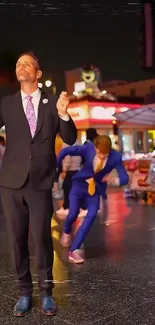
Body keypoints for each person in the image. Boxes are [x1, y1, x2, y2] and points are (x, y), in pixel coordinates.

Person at [0, 52, 77, 317]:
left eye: (27, 63)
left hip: (41, 182)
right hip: (11, 182)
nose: (21, 67)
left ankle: (46, 294)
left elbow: (69, 138)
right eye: (18, 64)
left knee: (41, 239)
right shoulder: (6, 104)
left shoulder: (53, 103)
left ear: (38, 72)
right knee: (17, 239)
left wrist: (64, 115)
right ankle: (24, 293)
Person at [57, 135, 129, 264]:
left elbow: (125, 178)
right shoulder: (88, 148)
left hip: (95, 190)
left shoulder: (115, 157)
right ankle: (67, 231)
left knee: (90, 217)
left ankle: (74, 250)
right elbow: (66, 151)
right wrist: (57, 167)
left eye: (105, 155)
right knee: (73, 214)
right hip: (79, 186)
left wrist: (114, 180)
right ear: (95, 147)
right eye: (100, 153)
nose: (102, 157)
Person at [55, 139, 82, 217]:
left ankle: (67, 207)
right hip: (77, 169)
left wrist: (64, 170)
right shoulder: (78, 142)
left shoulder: (67, 143)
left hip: (70, 170)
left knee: (67, 189)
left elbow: (67, 158)